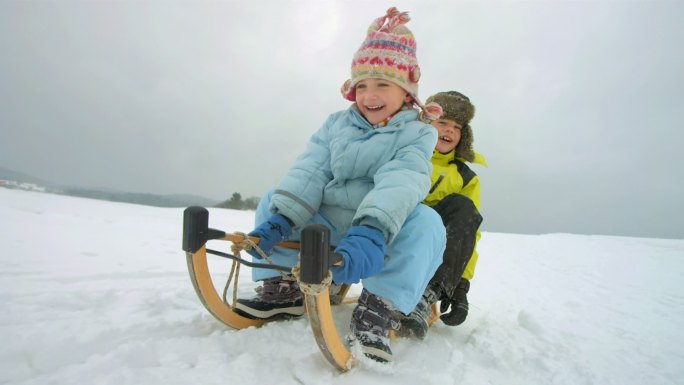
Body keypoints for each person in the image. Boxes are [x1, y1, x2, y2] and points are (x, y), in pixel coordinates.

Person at [233, 8, 446, 363]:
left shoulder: (418, 131)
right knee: (276, 197)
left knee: (427, 224)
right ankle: (283, 283)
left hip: (382, 228)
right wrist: (282, 219)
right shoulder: (337, 124)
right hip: (329, 220)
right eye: (361, 84)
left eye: (382, 84)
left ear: (407, 91)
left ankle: (380, 305)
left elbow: (402, 179)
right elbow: (311, 169)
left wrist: (373, 229)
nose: (369, 94)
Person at [395, 91, 487, 339]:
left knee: (463, 208)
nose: (449, 131)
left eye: (457, 127)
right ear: (427, 123)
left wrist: (461, 285)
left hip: (434, 244)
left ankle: (428, 293)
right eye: (443, 122)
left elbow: (469, 233)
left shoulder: (465, 177)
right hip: (395, 227)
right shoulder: (405, 152)